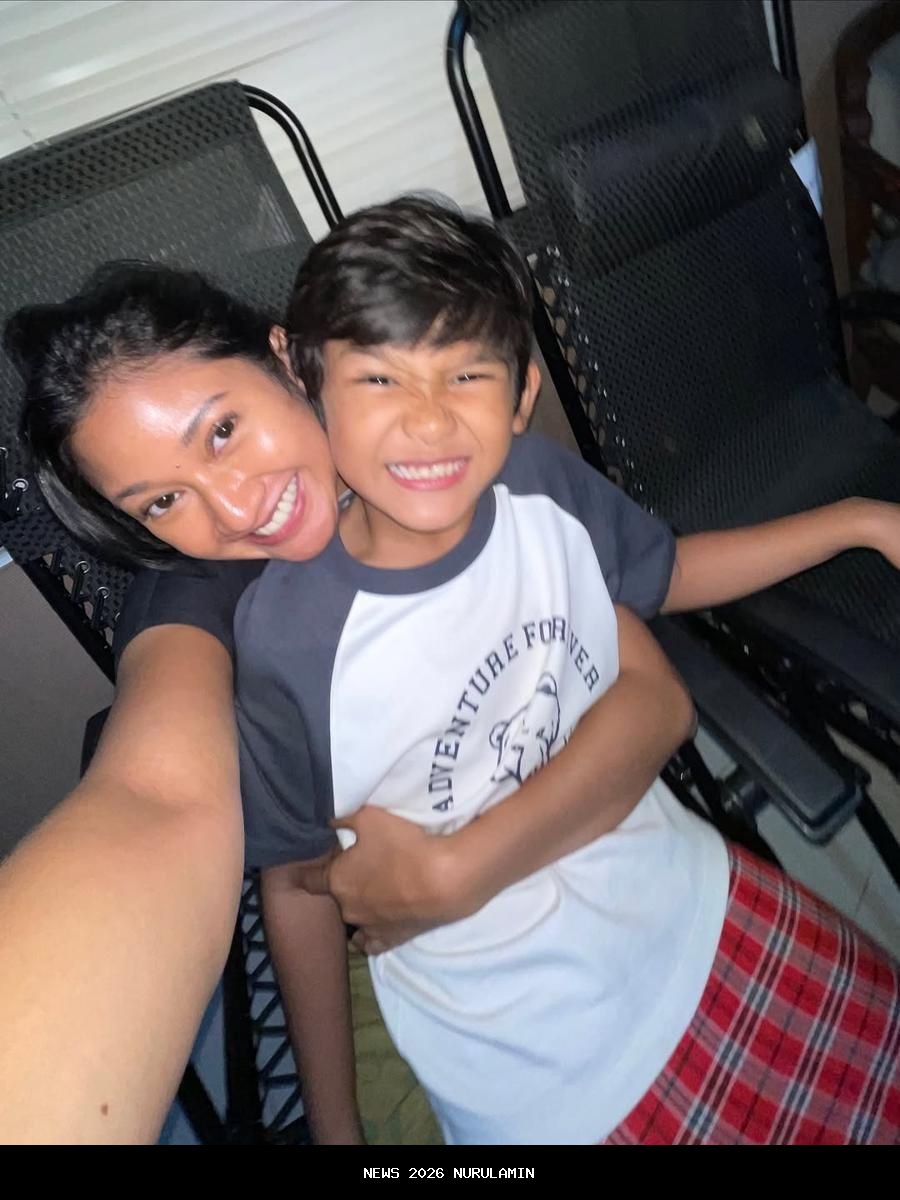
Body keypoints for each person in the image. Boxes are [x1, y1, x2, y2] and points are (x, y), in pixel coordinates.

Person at [2, 208, 898, 1143]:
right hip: (527, 1056)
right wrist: (337, 1130)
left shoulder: (511, 480)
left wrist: (858, 522)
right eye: (162, 502)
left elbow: (660, 581)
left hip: (687, 900)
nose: (231, 507)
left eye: (222, 430)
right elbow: (279, 874)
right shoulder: (275, 641)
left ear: (286, 362)